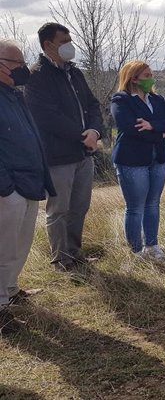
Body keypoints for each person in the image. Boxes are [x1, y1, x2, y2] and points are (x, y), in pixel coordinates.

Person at [24, 23, 103, 272]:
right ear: (48, 45)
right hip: (58, 156)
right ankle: (60, 260)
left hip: (83, 153)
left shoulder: (74, 73)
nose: (70, 45)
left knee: (79, 207)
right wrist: (83, 136)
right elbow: (47, 117)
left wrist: (95, 131)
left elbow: (93, 104)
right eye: (64, 41)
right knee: (58, 210)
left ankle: (74, 254)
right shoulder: (36, 77)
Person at [0, 40, 56, 334]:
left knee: (20, 245)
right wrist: (5, 188)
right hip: (9, 189)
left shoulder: (14, 95)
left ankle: (10, 291)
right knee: (4, 249)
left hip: (29, 183)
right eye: (17, 64)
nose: (23, 69)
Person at [112, 61, 165, 258]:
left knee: (153, 203)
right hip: (132, 159)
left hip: (158, 158)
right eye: (147, 75)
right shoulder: (121, 100)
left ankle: (152, 246)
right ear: (134, 78)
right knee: (135, 207)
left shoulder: (156, 99)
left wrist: (152, 125)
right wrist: (159, 132)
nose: (151, 79)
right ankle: (136, 250)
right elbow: (130, 127)